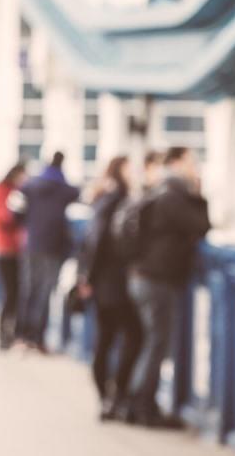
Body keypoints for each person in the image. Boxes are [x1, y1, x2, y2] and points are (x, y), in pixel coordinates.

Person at [125, 146, 210, 427]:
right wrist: (198, 191)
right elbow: (201, 225)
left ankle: (136, 402)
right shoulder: (175, 195)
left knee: (151, 341)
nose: (194, 166)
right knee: (157, 344)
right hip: (158, 279)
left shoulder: (157, 191)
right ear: (176, 163)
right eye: (191, 161)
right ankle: (143, 406)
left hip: (140, 275)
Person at [77, 156, 142, 420]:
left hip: (103, 281)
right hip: (112, 282)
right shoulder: (119, 199)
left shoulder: (104, 198)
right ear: (121, 171)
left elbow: (91, 241)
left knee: (105, 340)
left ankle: (107, 399)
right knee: (131, 336)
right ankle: (115, 396)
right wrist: (87, 279)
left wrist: (86, 278)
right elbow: (99, 241)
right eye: (131, 168)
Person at [17, 151, 80, 354]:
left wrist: (27, 225)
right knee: (45, 292)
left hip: (32, 243)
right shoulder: (65, 190)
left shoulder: (30, 185)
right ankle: (38, 338)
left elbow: (15, 211)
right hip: (54, 246)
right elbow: (80, 194)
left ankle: (21, 335)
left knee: (28, 289)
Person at [0, 162, 27, 350]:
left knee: (18, 293)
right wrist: (15, 214)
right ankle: (4, 334)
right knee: (10, 293)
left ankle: (14, 333)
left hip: (20, 249)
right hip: (4, 249)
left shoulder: (19, 191)